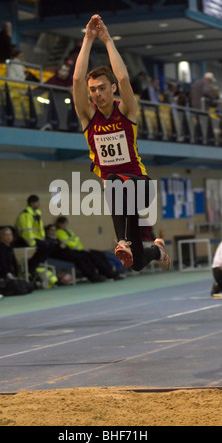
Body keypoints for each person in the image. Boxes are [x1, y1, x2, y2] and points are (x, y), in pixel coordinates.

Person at [73, 15, 170, 273]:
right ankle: (157, 249)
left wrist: (106, 40)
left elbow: (125, 79)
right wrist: (87, 38)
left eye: (102, 88)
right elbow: (76, 81)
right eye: (93, 89)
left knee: (114, 179)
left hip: (140, 184)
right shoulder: (88, 116)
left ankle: (123, 241)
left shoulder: (126, 110)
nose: (97, 93)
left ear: (112, 88)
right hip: (118, 196)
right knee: (137, 263)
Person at [54, 217, 121, 281]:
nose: (65, 225)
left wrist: (83, 248)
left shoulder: (69, 231)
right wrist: (80, 248)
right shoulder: (59, 232)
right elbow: (69, 243)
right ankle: (98, 276)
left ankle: (110, 272)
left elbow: (76, 241)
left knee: (99, 254)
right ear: (60, 224)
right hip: (75, 250)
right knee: (89, 258)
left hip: (80, 249)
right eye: (63, 223)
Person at [46, 224, 112, 283]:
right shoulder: (47, 240)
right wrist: (60, 247)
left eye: (54, 230)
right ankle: (92, 277)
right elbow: (52, 249)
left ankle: (97, 274)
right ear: (47, 231)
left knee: (87, 256)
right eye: (51, 230)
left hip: (68, 251)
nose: (53, 232)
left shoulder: (56, 239)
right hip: (59, 255)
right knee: (79, 259)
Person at [16, 195, 56, 277]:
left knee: (52, 243)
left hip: (37, 237)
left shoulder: (36, 214)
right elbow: (27, 230)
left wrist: (43, 238)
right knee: (44, 245)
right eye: (37, 202)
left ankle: (37, 262)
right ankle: (31, 265)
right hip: (25, 238)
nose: (39, 204)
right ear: (32, 203)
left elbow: (39, 229)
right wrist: (31, 242)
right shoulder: (26, 215)